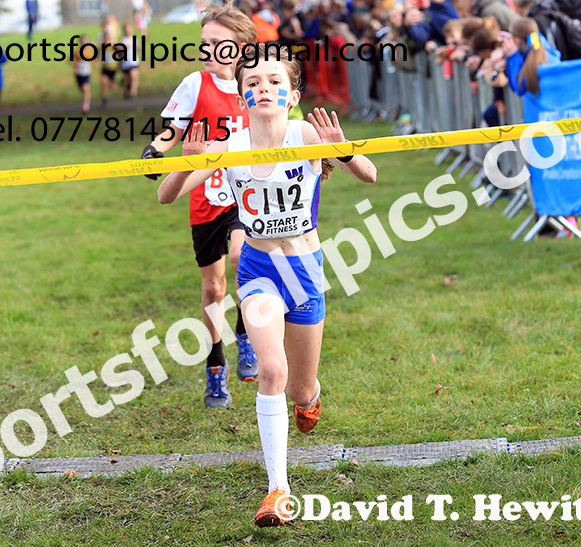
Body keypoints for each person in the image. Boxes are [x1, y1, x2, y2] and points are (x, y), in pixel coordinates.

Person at [158, 44, 377, 527]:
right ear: (240, 97)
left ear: (293, 94)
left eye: (276, 82)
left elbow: (370, 175)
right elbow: (165, 194)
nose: (264, 88)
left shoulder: (305, 134)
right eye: (253, 82)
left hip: (304, 271)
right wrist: (188, 160)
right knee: (271, 372)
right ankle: (278, 490)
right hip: (258, 269)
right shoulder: (230, 146)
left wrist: (342, 149)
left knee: (298, 388)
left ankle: (311, 395)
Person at [141, 2, 259, 408]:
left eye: (216, 43)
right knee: (213, 286)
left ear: (240, 47)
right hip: (205, 196)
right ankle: (215, 364)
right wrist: (154, 154)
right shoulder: (195, 84)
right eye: (204, 42)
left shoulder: (254, 84)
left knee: (244, 257)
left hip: (248, 194)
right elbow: (173, 130)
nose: (207, 50)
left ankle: (245, 336)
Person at [71, 34, 93, 114]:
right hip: (79, 74)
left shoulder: (89, 51)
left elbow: (94, 59)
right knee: (82, 90)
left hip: (87, 73)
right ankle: (86, 103)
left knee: (86, 88)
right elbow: (70, 59)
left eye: (85, 41)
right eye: (82, 41)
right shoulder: (77, 51)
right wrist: (74, 64)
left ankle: (86, 106)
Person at [120, 22, 139, 99]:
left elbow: (138, 48)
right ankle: (127, 91)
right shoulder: (122, 39)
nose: (127, 30)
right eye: (126, 29)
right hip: (125, 62)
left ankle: (133, 93)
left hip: (133, 61)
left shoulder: (134, 38)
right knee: (126, 78)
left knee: (133, 76)